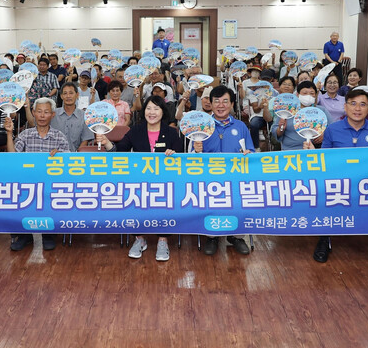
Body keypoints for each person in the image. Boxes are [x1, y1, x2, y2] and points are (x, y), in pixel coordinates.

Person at [306, 89, 368, 268]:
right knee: (323, 195)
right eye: (353, 104)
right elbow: (325, 160)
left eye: (362, 104)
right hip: (340, 182)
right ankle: (324, 240)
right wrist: (313, 153)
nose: (357, 108)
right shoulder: (332, 129)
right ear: (345, 107)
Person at [97, 95, 183, 261]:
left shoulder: (171, 133)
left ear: (163, 112)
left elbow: (181, 157)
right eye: (148, 108)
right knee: (133, 198)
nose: (152, 112)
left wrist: (174, 154)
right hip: (139, 182)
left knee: (167, 199)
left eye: (156, 108)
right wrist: (106, 142)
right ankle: (140, 239)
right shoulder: (135, 131)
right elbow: (120, 153)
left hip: (164, 182)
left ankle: (163, 240)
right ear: (144, 112)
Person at [193, 86, 254, 256]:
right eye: (217, 101)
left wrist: (248, 154)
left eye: (225, 101)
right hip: (209, 177)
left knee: (239, 202)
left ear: (232, 104)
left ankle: (236, 237)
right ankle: (212, 236)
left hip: (235, 177)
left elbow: (251, 151)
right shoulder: (202, 126)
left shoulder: (241, 127)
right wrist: (196, 151)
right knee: (210, 202)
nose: (221, 105)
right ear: (211, 104)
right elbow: (191, 158)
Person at [5, 97, 70, 252]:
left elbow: (68, 162)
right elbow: (13, 157)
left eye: (46, 112)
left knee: (52, 196)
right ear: (33, 113)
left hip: (50, 182)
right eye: (39, 111)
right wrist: (9, 133)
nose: (42, 115)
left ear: (52, 115)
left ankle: (48, 235)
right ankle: (24, 236)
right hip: (27, 180)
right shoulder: (25, 135)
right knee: (20, 195)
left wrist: (60, 155)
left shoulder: (59, 136)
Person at [271, 81, 333, 151]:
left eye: (312, 93)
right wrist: (281, 129)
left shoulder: (321, 110)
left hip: (315, 151)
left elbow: (333, 127)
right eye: (305, 93)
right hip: (290, 150)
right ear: (298, 94)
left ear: (315, 95)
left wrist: (324, 134)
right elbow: (275, 131)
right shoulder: (288, 110)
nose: (308, 96)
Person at [49, 82, 95, 151]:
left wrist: (76, 154)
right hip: (54, 155)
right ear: (61, 96)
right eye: (65, 93)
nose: (68, 96)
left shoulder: (85, 116)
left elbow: (85, 140)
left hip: (76, 155)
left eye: (71, 93)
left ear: (77, 95)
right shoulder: (53, 114)